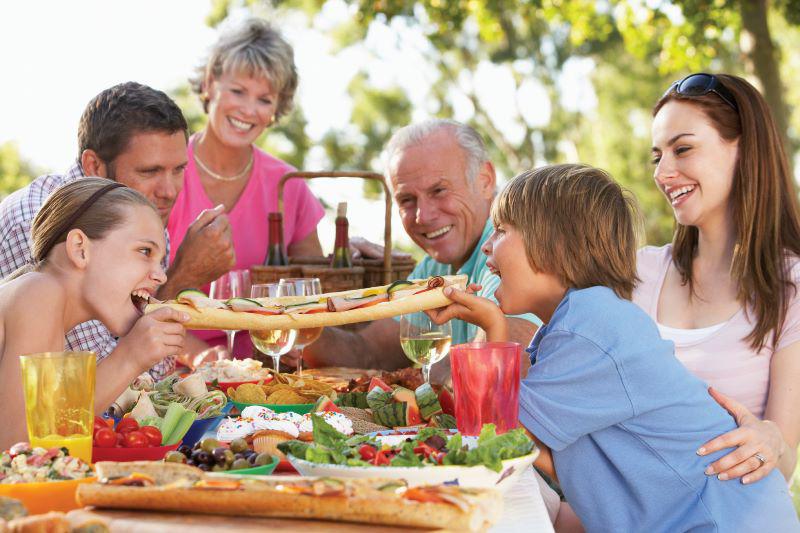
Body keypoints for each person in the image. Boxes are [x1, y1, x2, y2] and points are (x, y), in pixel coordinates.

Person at [428, 164, 799, 532]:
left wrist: (493, 325)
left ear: (556, 245)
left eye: (503, 230)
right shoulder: (577, 323)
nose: (488, 245)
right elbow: (531, 446)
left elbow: (495, 435)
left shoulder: (590, 325)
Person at [0, 82, 234, 378]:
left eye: (178, 170)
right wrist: (182, 277)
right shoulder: (39, 222)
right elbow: (109, 390)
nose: (170, 190)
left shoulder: (141, 220)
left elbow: (145, 379)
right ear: (94, 166)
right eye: (150, 171)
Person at [637, 73, 800, 485]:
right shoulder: (641, 272)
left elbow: (781, 464)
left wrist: (769, 440)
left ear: (744, 150)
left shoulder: (791, 288)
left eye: (683, 149)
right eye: (658, 157)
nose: (663, 173)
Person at [303, 119, 540, 379]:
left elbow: (518, 355)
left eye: (439, 190)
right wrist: (293, 324)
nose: (422, 216)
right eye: (407, 200)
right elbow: (369, 353)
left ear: (484, 181)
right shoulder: (433, 267)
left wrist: (415, 384)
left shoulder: (512, 249)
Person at [168, 18, 325, 356]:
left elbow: (312, 296)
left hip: (263, 372)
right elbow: (131, 300)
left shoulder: (290, 187)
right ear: (210, 84)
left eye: (264, 99)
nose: (248, 110)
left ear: (276, 109)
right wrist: (200, 358)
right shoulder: (167, 171)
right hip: (167, 365)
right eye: (238, 91)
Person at [0, 178, 189, 449]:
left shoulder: (41, 296)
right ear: (80, 249)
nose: (160, 276)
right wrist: (130, 356)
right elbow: (18, 449)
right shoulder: (39, 292)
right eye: (145, 251)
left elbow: (55, 425)